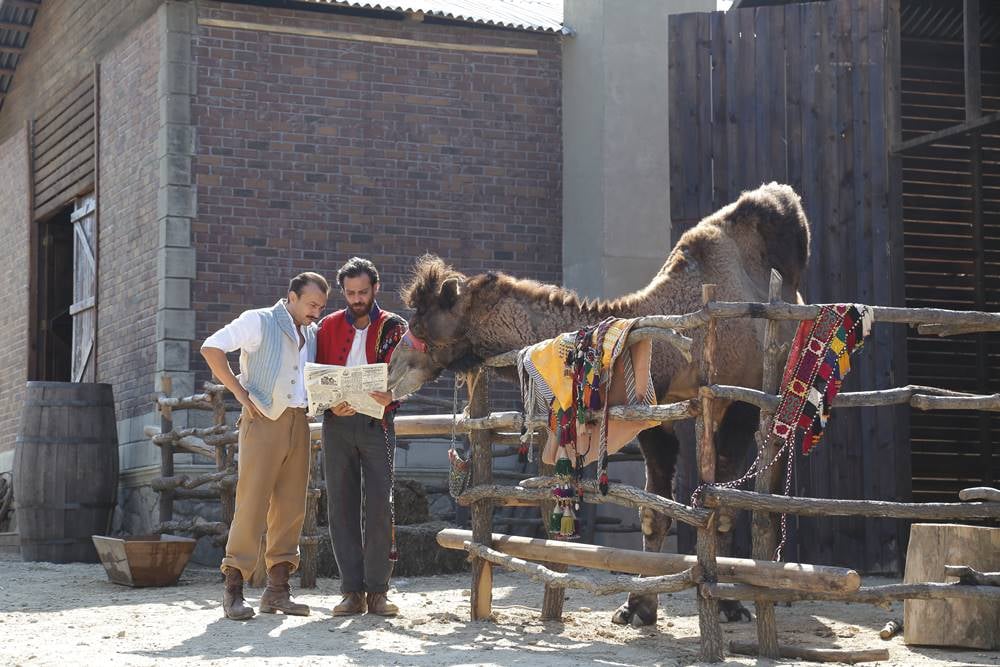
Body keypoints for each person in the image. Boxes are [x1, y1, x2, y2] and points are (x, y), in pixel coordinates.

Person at [200, 272, 329, 620]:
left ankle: (277, 590)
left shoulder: (314, 333)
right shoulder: (258, 320)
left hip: (299, 421)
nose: (316, 311)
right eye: (311, 304)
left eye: (321, 306)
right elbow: (211, 348)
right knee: (252, 502)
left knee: (291, 507)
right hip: (263, 420)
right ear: (292, 297)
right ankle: (233, 589)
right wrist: (241, 395)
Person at [316, 257, 407, 617]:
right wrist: (329, 404)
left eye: (363, 292)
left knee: (381, 506)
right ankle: (351, 591)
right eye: (350, 293)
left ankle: (378, 592)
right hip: (336, 426)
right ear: (343, 291)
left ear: (376, 289)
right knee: (340, 506)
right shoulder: (326, 327)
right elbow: (316, 376)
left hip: (378, 424)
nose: (356, 299)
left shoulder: (395, 327)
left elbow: (410, 374)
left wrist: (393, 395)